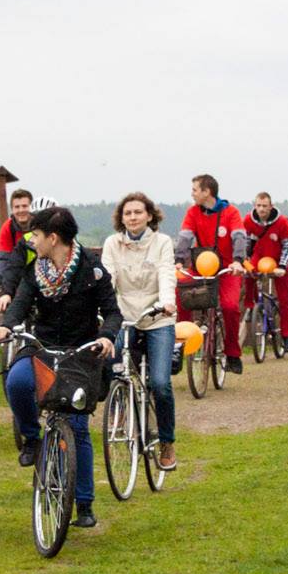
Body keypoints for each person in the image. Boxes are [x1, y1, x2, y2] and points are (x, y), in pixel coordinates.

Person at [0, 206, 119, 529]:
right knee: (17, 383)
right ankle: (32, 438)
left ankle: (85, 505)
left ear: (53, 238)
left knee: (77, 427)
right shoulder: (36, 272)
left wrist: (105, 337)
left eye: (36, 235)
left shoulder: (92, 270)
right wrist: (8, 325)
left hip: (80, 354)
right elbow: (20, 301)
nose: (31, 241)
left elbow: (113, 312)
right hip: (43, 347)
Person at [102, 192, 179, 471]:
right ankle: (121, 407)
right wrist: (102, 307)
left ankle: (167, 441)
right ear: (121, 218)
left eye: (138, 212)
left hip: (158, 317)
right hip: (125, 316)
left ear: (149, 215)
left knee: (160, 383)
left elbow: (165, 273)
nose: (132, 217)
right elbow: (107, 277)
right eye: (127, 213)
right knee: (111, 360)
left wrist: (167, 302)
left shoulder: (162, 242)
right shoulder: (112, 243)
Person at [178, 173, 249, 374]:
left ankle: (233, 353)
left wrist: (238, 260)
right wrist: (179, 261)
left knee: (229, 306)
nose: (192, 194)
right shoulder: (193, 212)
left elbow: (239, 237)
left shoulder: (231, 212)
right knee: (180, 290)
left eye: (194, 190)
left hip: (228, 268)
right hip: (201, 264)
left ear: (206, 191)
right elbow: (185, 237)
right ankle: (179, 344)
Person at [243, 190, 288, 351]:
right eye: (259, 206)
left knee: (285, 299)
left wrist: (282, 266)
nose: (261, 209)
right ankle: (250, 306)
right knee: (248, 274)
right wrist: (245, 260)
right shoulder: (248, 220)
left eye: (265, 206)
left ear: (271, 207)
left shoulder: (282, 222)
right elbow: (246, 242)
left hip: (279, 259)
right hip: (259, 256)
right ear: (255, 206)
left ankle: (287, 334)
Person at [0, 192, 54, 308]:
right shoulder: (11, 230)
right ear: (12, 210)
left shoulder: (62, 237)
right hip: (25, 279)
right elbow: (6, 260)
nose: (21, 210)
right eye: (17, 207)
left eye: (24, 206)